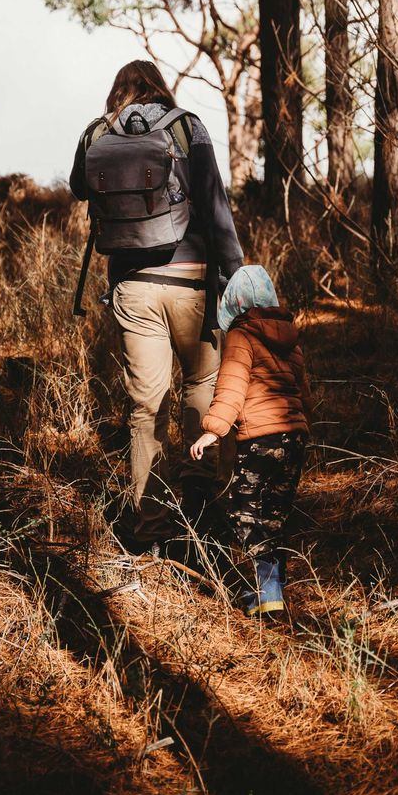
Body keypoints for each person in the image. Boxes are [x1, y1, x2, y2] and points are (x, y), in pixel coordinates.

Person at [70, 59, 244, 549]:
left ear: (117, 91)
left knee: (146, 409)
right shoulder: (188, 127)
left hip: (133, 288)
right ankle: (202, 504)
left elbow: (78, 187)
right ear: (160, 88)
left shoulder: (95, 134)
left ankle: (149, 530)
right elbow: (214, 206)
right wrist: (234, 276)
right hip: (191, 283)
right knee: (202, 386)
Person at [190, 265, 312, 617]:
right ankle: (270, 591)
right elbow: (302, 390)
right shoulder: (290, 335)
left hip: (260, 439)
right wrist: (306, 427)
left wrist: (214, 428)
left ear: (234, 303)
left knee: (244, 512)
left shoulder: (242, 335)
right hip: (294, 438)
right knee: (275, 515)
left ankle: (269, 588)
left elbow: (232, 385)